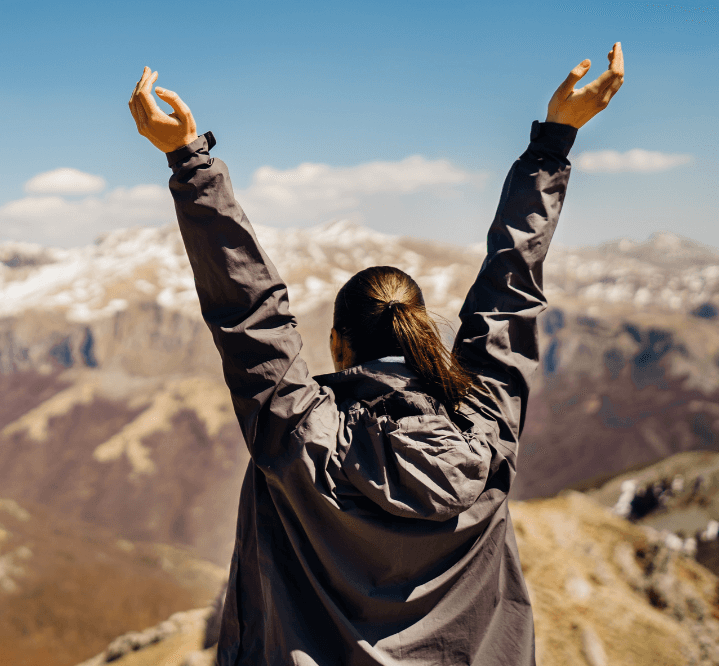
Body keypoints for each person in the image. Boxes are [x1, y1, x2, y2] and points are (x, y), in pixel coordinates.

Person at [127, 44, 625, 666]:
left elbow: (251, 314)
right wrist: (556, 139)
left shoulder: (301, 436)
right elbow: (511, 292)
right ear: (426, 337)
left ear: (338, 344)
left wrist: (191, 159)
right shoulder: (487, 420)